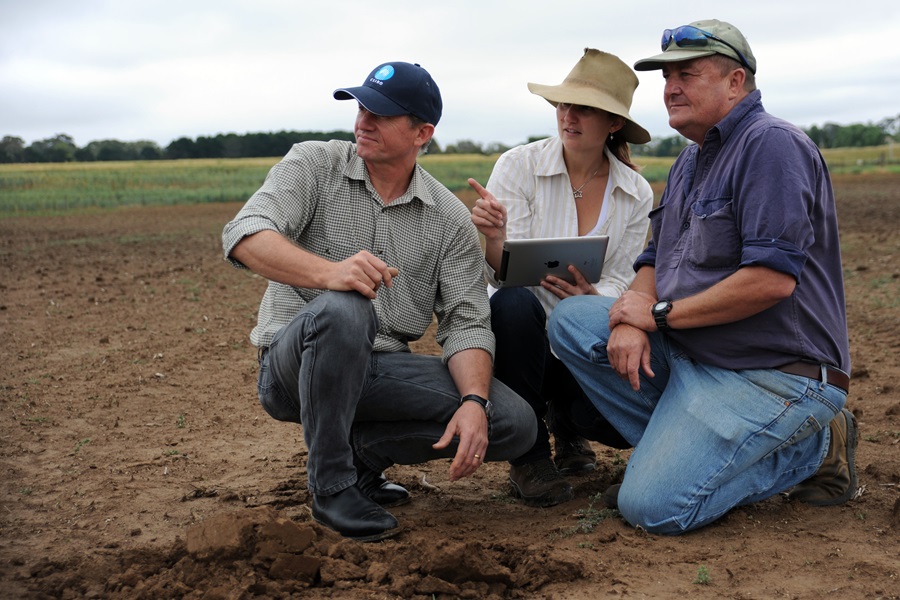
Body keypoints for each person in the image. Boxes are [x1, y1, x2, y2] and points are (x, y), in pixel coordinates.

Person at [547, 20, 856, 535]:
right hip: (697, 357)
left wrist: (658, 316)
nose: (670, 87)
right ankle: (681, 459)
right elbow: (653, 259)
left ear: (736, 82)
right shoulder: (691, 159)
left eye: (687, 74)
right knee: (575, 321)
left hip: (774, 373)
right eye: (666, 77)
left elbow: (769, 281)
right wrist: (630, 317)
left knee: (651, 508)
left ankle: (814, 445)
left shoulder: (771, 147)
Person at [222, 61, 537, 542]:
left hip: (379, 371)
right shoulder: (313, 163)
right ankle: (331, 488)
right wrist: (332, 273)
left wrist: (474, 400)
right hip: (294, 369)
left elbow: (467, 322)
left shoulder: (448, 218)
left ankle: (361, 460)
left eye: (382, 114)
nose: (363, 121)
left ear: (422, 133)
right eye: (361, 107)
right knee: (345, 306)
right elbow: (244, 234)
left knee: (512, 423)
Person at [467, 49, 654, 507]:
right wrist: (494, 237)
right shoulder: (518, 165)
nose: (568, 116)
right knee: (511, 304)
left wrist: (593, 297)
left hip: (584, 336)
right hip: (521, 338)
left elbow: (623, 280)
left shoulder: (635, 192)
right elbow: (502, 273)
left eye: (584, 108)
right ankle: (529, 457)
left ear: (613, 123)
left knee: (605, 420)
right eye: (563, 105)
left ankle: (568, 426)